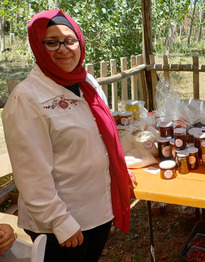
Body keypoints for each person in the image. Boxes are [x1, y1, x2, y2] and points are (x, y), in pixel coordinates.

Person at [2, 9, 137, 262]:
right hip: (63, 221)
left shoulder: (87, 82)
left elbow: (99, 136)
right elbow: (31, 174)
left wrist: (116, 168)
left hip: (98, 210)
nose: (63, 49)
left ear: (80, 42)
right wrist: (60, 221)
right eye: (52, 42)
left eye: (70, 40)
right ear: (38, 46)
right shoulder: (27, 98)